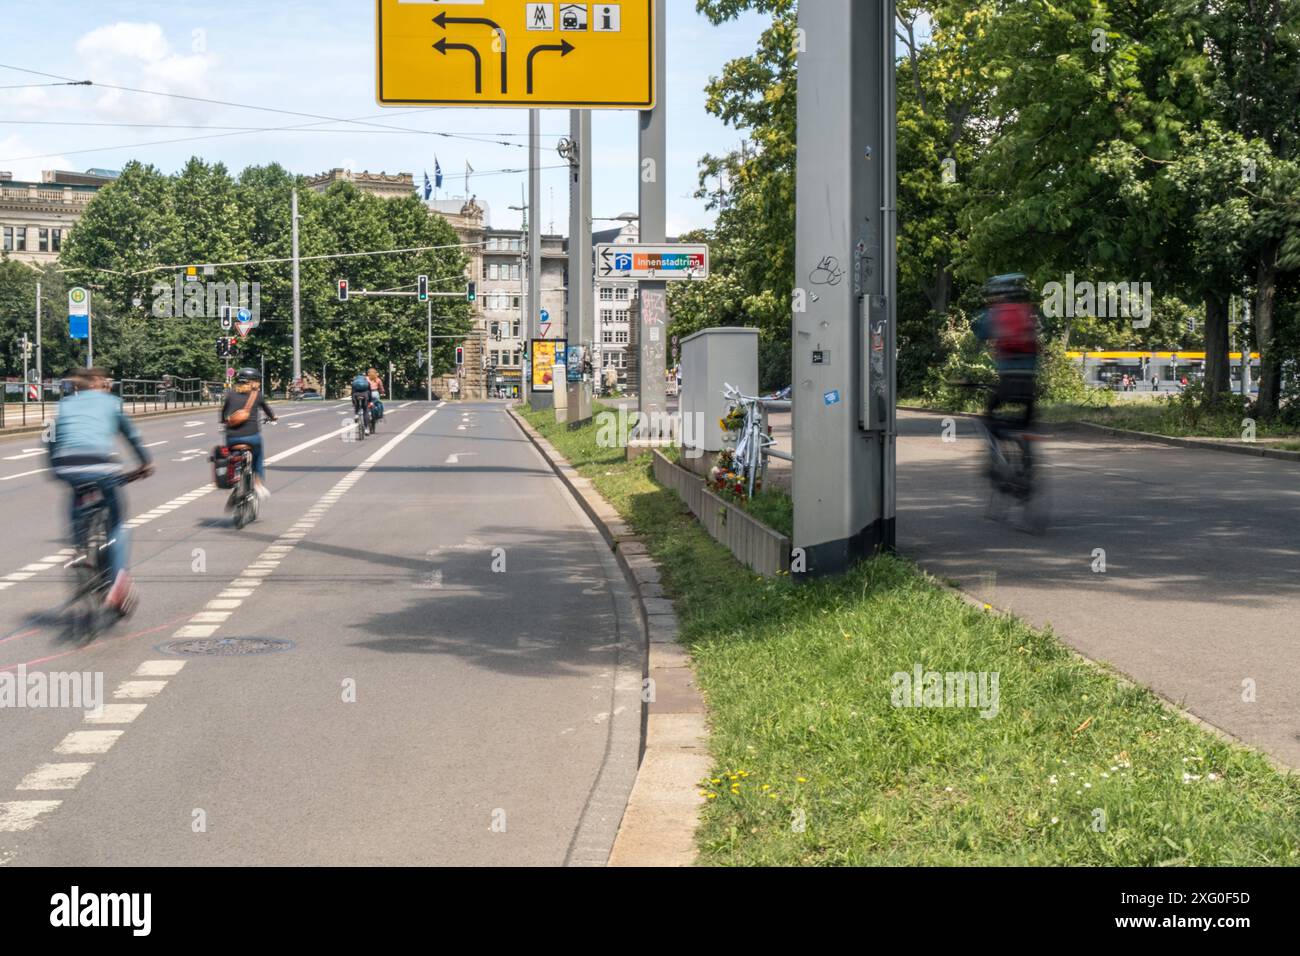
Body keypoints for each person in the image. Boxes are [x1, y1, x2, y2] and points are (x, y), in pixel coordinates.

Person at [49, 367, 154, 611]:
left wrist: (55, 468)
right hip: (100, 466)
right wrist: (145, 463)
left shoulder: (65, 405)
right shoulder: (111, 403)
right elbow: (132, 436)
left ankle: (79, 550)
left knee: (76, 497)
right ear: (98, 382)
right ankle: (117, 580)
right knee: (116, 523)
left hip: (68, 466)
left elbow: (50, 439)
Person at [973, 273, 1040, 435]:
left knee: (989, 415)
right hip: (1029, 376)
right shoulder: (1027, 311)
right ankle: (1028, 451)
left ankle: (995, 451)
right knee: (1029, 417)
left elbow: (980, 332)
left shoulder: (995, 312)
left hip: (1007, 376)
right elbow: (1037, 334)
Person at [220, 368, 277, 499]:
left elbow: (223, 413)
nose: (258, 384)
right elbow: (268, 411)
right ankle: (257, 484)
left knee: (230, 455)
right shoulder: (257, 395)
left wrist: (224, 421)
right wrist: (273, 417)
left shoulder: (230, 394)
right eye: (257, 381)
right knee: (258, 455)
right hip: (252, 437)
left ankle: (233, 476)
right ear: (252, 382)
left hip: (232, 437)